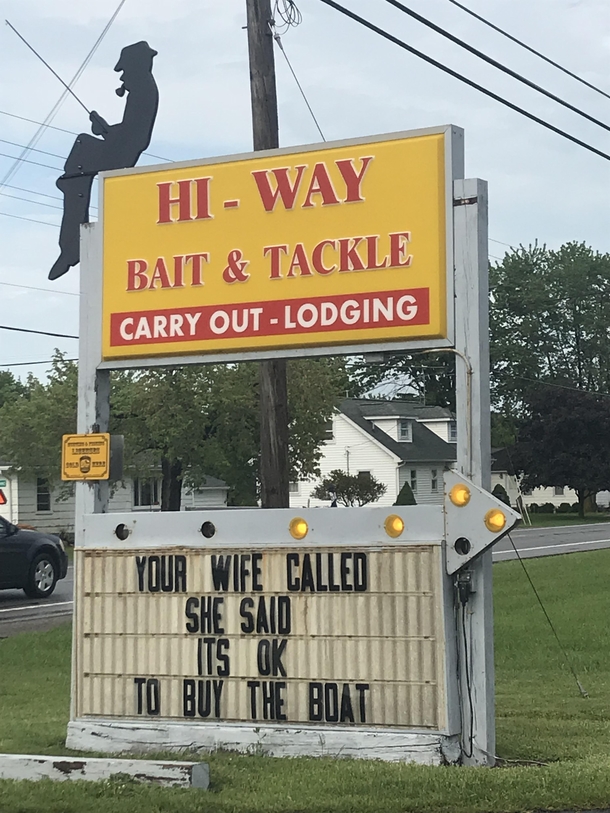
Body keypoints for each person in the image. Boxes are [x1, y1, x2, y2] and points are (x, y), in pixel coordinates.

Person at [49, 41, 159, 280]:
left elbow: (135, 135)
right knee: (82, 149)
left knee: (81, 146)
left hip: (124, 153)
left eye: (124, 70)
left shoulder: (144, 90)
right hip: (122, 148)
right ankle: (72, 187)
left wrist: (108, 133)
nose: (122, 76)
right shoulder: (141, 89)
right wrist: (106, 129)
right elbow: (129, 131)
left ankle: (71, 241)